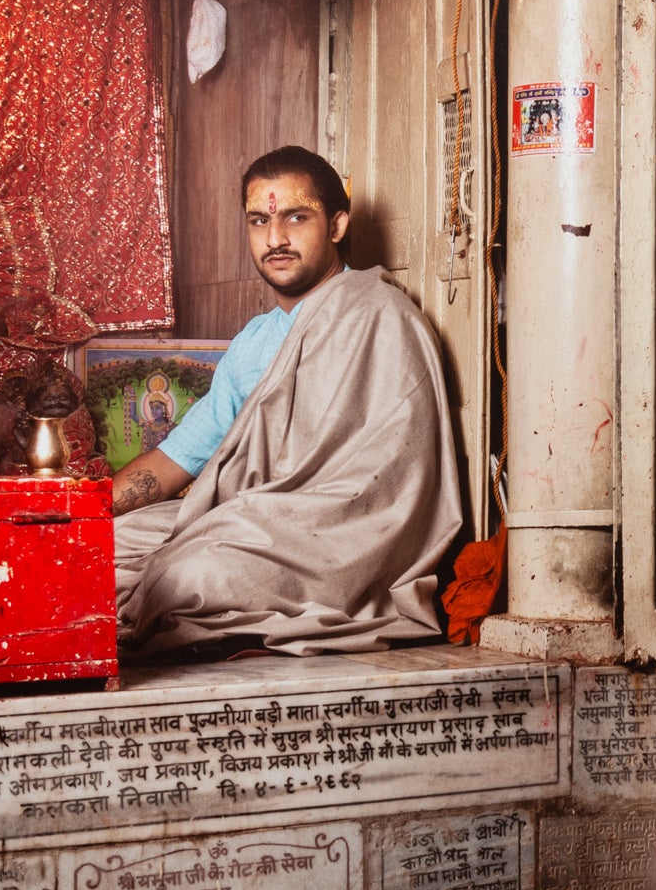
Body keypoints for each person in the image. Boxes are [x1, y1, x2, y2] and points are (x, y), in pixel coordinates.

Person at [110, 145, 463, 660]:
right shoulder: (253, 340)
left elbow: (392, 484)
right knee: (96, 554)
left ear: (337, 226)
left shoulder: (379, 316)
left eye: (296, 217)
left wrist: (260, 518)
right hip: (243, 520)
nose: (275, 239)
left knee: (190, 576)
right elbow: (177, 458)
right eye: (259, 221)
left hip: (329, 533)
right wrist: (78, 515)